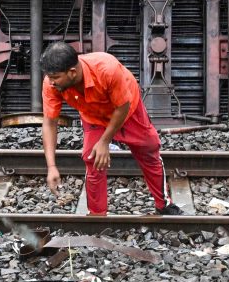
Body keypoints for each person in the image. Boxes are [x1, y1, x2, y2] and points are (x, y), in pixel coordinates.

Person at [40, 42, 182, 216]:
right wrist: (51, 166)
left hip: (127, 111)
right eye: (49, 77)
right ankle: (97, 216)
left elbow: (122, 108)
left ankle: (164, 205)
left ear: (72, 72)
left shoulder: (107, 69)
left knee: (149, 151)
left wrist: (105, 141)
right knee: (92, 159)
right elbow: (49, 123)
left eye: (55, 77)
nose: (50, 82)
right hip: (93, 116)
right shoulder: (52, 83)